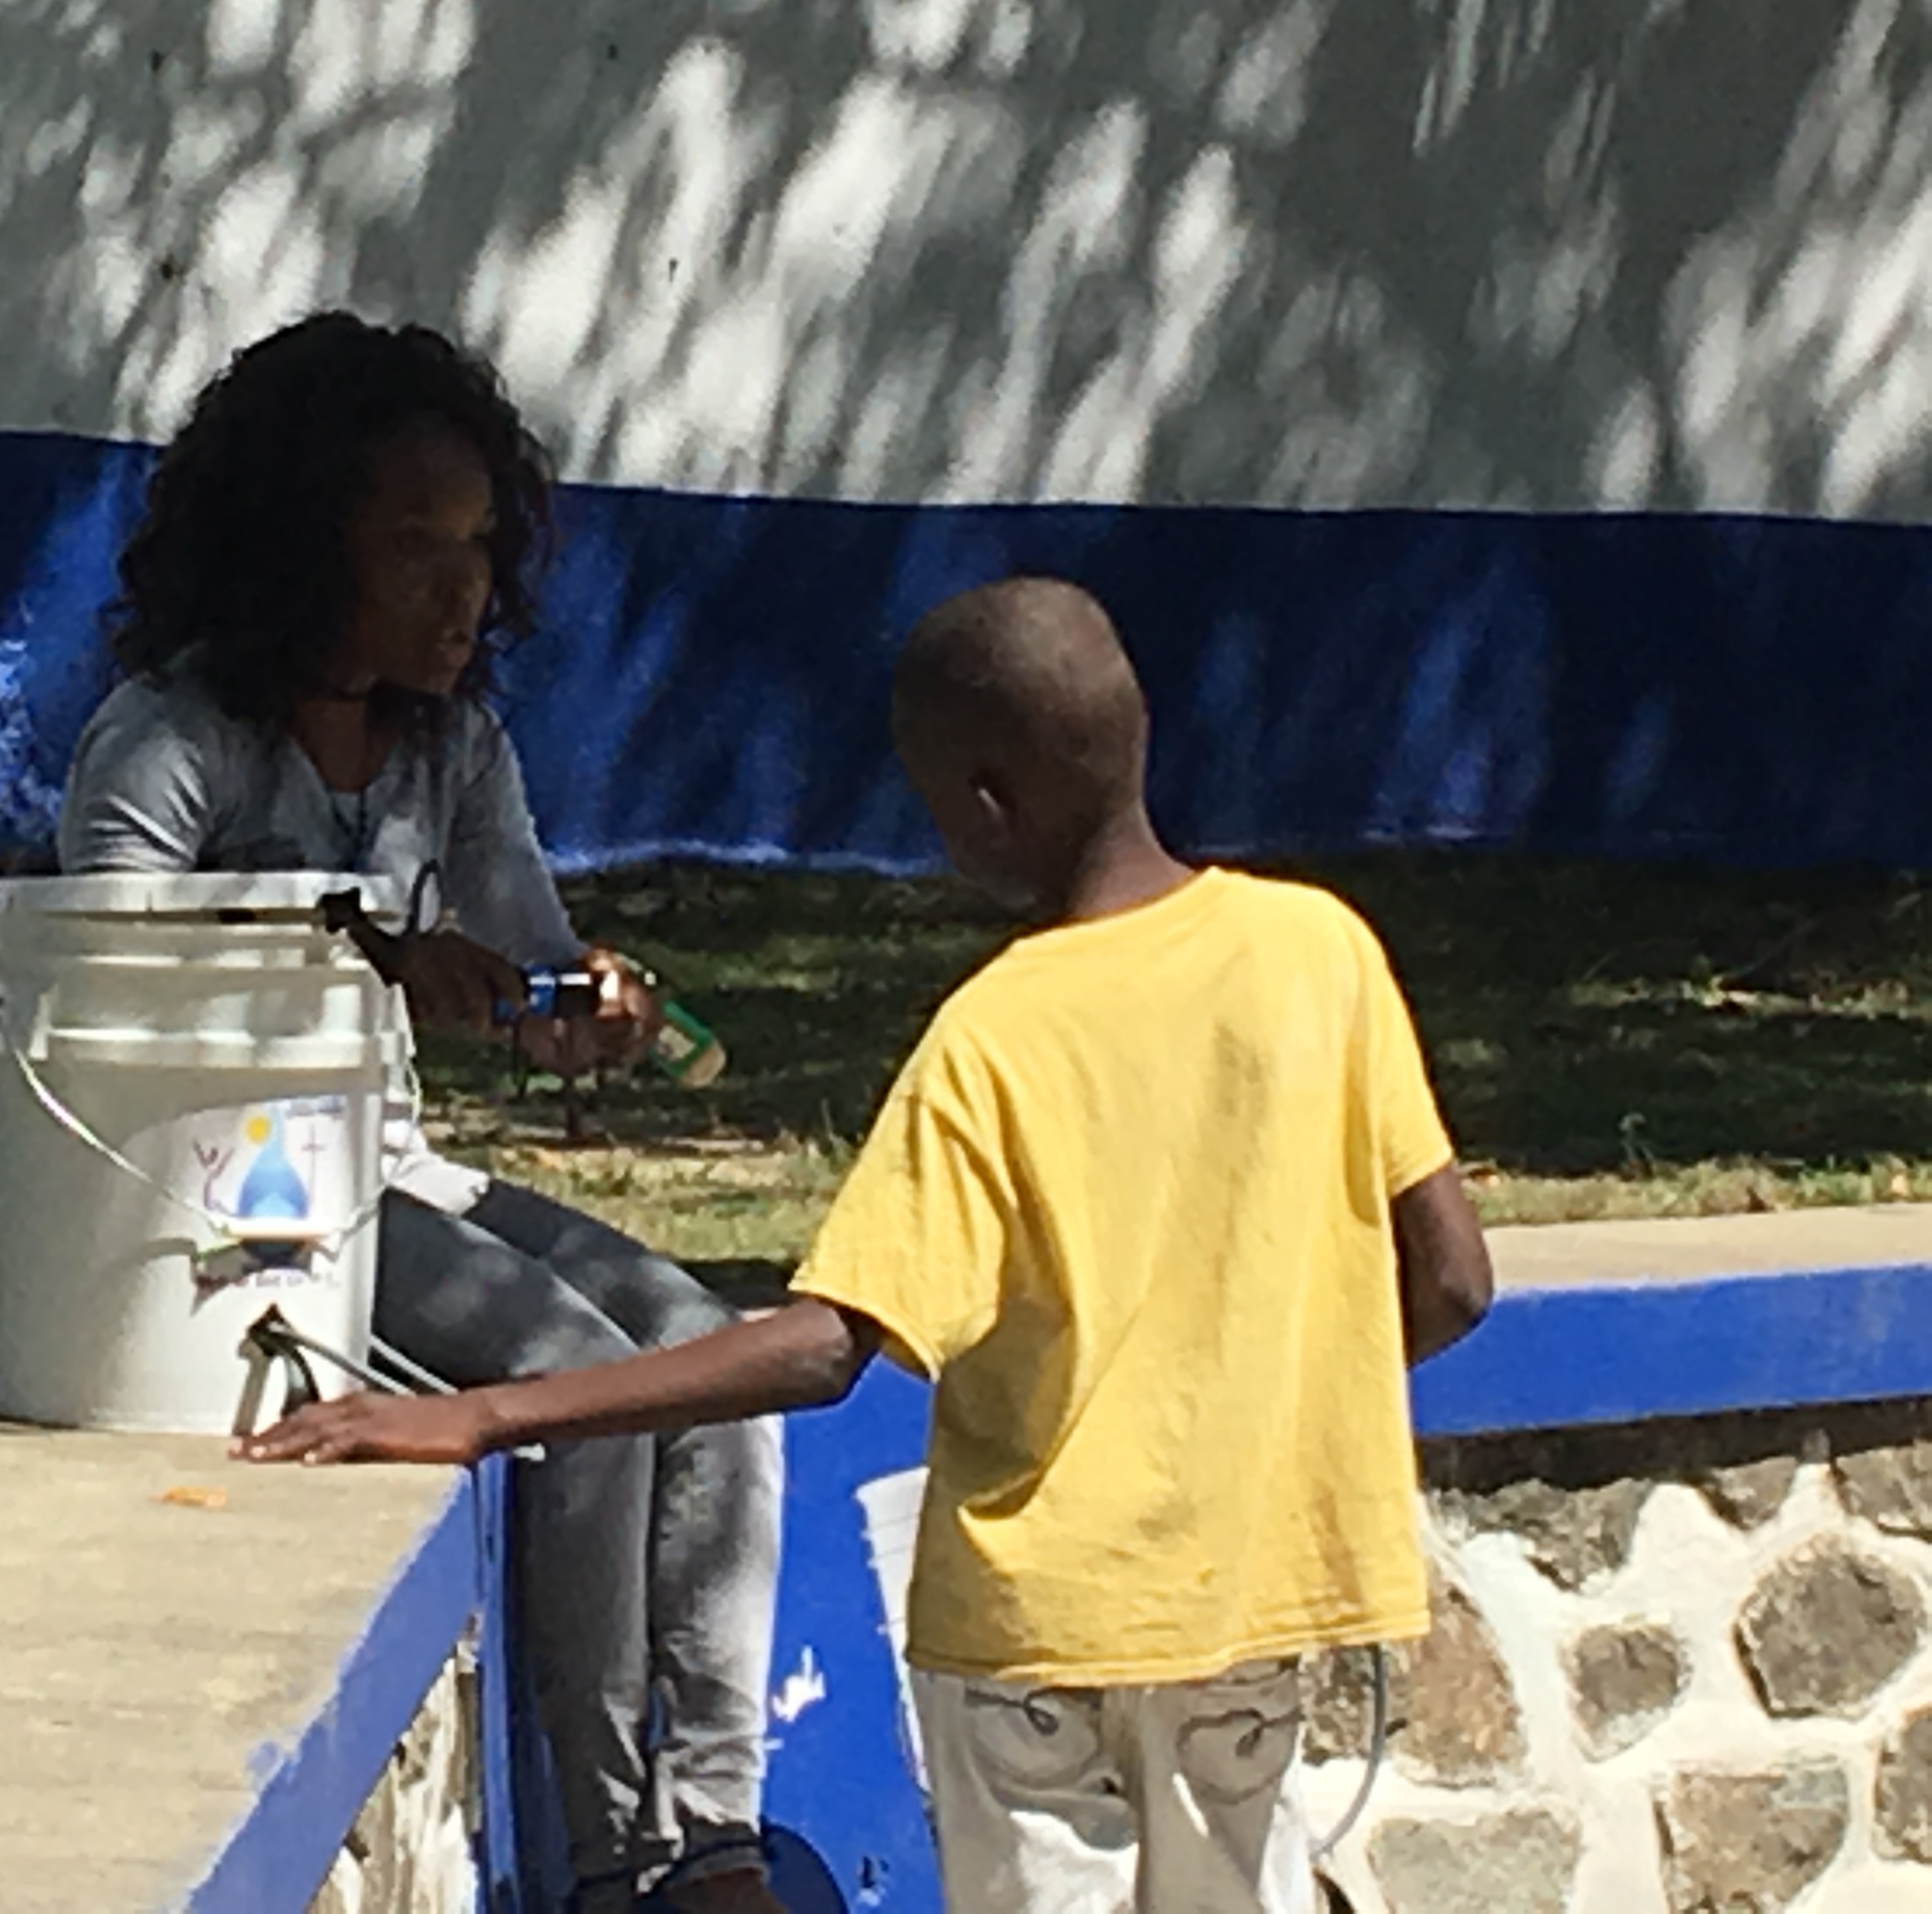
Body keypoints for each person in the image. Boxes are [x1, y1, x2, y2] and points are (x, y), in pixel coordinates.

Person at [241, 576, 1497, 1914]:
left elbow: (828, 1342)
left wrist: (490, 1412)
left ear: (987, 805)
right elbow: (1455, 1281)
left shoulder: (995, 1037)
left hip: (1037, 1644)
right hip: (1254, 1619)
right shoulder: (1325, 954)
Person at [55, 312, 788, 1914]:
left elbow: (521, 972)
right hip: (234, 1205)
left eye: (479, 550)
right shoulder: (169, 743)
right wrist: (360, 948)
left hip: (388, 1172)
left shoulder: (452, 748)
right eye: (412, 550)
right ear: (292, 551)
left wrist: (591, 1009)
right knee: (584, 1376)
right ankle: (612, 1855)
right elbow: (105, 1006)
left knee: (704, 1355)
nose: (464, 594)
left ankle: (718, 1830)